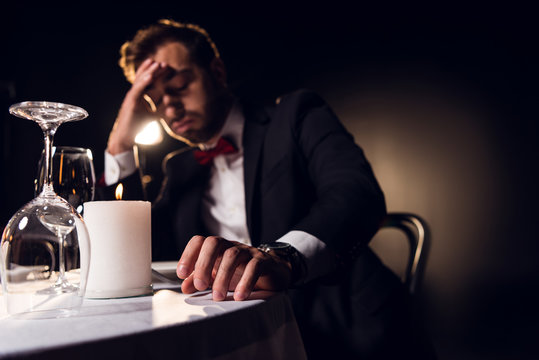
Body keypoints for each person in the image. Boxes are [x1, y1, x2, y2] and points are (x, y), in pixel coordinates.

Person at [102, 19, 435, 359]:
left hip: (347, 331)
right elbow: (133, 247)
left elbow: (356, 194)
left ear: (216, 72)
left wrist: (284, 257)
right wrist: (120, 142)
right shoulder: (180, 168)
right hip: (237, 341)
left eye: (179, 84)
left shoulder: (295, 115)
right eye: (153, 101)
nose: (168, 107)